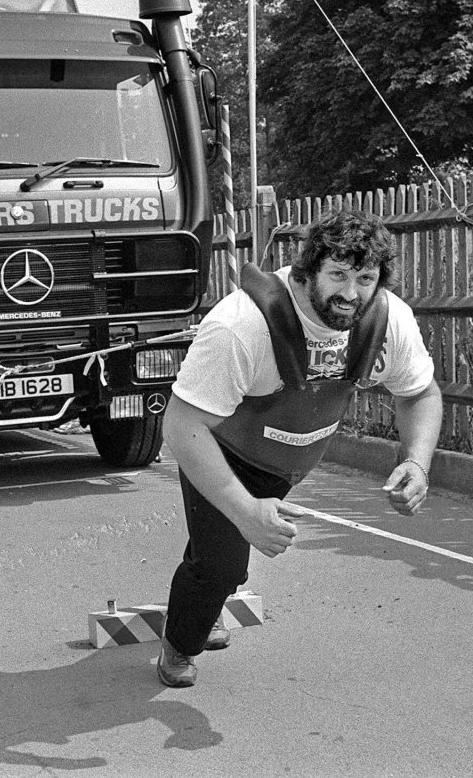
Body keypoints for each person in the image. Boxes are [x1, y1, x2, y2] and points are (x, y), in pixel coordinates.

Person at [157, 208, 442, 687]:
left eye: (365, 278)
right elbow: (182, 427)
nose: (350, 294)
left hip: (287, 464)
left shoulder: (389, 320)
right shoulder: (240, 325)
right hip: (219, 450)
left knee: (219, 550)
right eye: (337, 275)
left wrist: (417, 462)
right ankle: (178, 647)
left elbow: (420, 395)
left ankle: (207, 600)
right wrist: (246, 511)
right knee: (224, 565)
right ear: (309, 269)